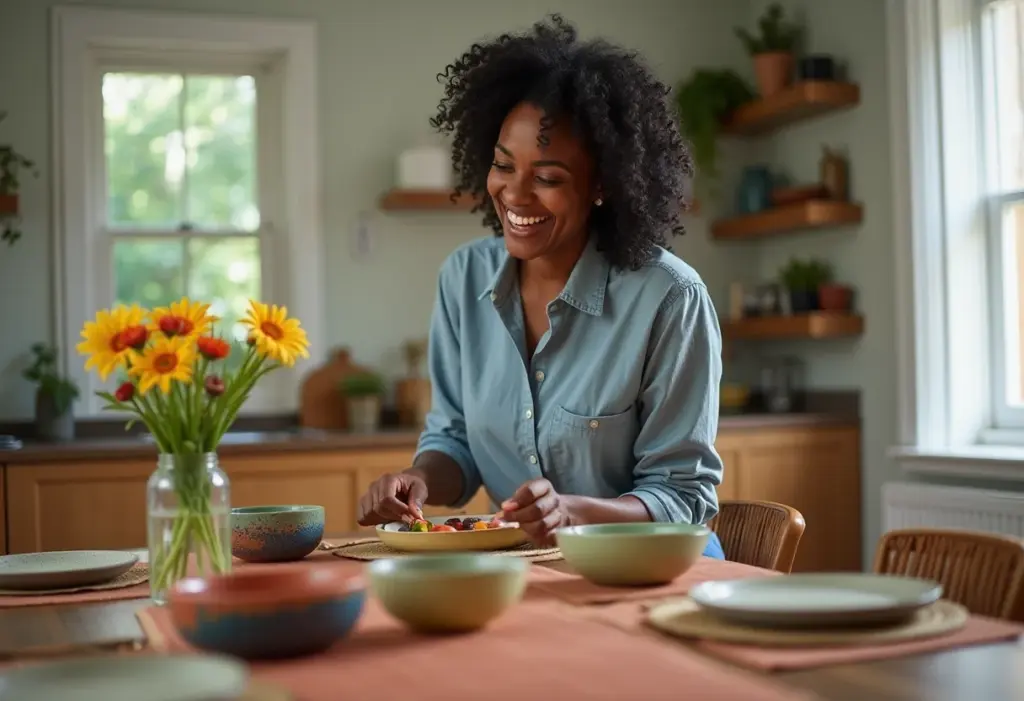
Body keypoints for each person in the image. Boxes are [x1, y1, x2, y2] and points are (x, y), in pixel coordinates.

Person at [357, 15, 725, 558]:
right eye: (503, 166)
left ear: (602, 185)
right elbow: (455, 442)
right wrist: (418, 479)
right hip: (522, 567)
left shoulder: (669, 298)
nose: (515, 194)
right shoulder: (463, 278)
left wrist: (573, 513)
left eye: (548, 178)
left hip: (647, 566)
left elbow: (684, 497)